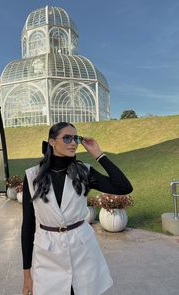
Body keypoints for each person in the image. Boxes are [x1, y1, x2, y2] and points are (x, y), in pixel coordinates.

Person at [21, 122, 133, 295]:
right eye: (67, 138)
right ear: (52, 142)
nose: (73, 142)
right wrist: (27, 275)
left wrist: (98, 153)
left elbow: (123, 187)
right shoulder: (32, 176)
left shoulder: (84, 172)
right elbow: (28, 225)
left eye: (76, 138)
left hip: (83, 250)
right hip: (48, 255)